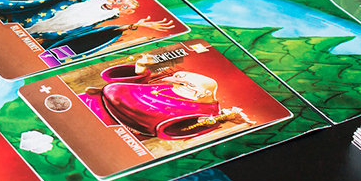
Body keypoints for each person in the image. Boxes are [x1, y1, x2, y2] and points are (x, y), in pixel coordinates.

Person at [0, 0, 175, 56]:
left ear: (126, 13)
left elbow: (102, 33)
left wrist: (135, 26)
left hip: (36, 37)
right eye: (120, 1)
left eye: (125, 7)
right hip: (15, 18)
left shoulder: (101, 20)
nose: (119, 5)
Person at [82, 56, 253, 140]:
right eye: (180, 77)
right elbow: (139, 86)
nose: (174, 80)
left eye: (186, 83)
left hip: (109, 124)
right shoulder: (172, 87)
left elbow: (180, 130)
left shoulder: (204, 112)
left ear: (202, 94)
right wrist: (140, 67)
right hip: (90, 100)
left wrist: (219, 119)